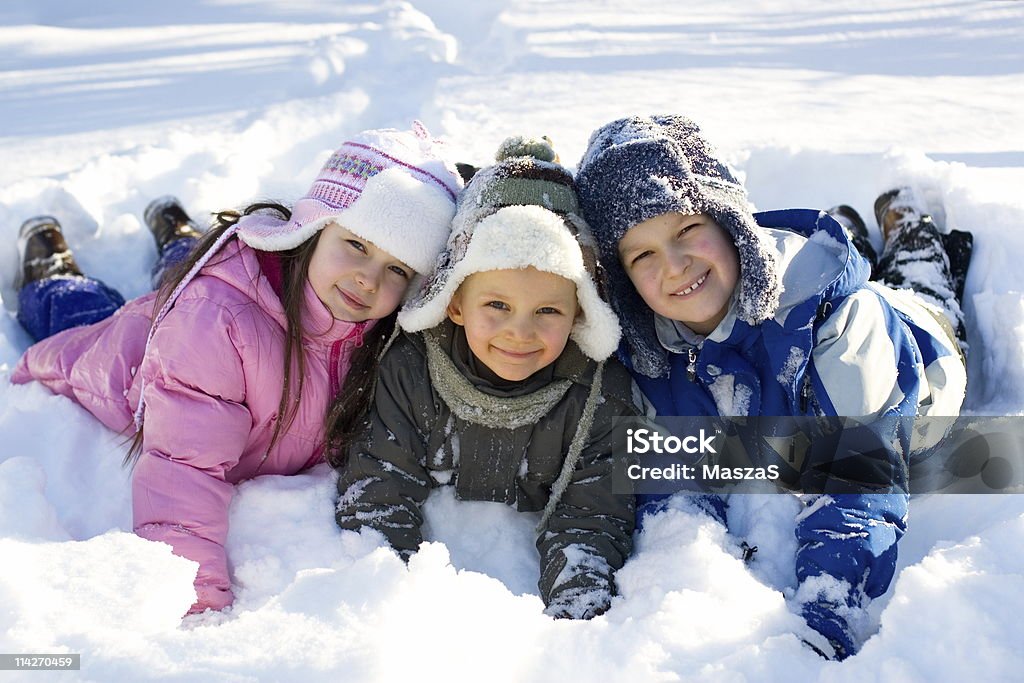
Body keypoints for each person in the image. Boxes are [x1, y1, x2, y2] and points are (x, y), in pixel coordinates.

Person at [11, 124, 463, 615]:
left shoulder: (381, 334)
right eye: (357, 245)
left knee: (183, 266)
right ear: (313, 228)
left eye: (398, 269)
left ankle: (177, 235)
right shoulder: (215, 327)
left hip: (208, 310)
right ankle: (50, 264)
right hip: (128, 355)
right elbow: (182, 472)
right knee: (81, 311)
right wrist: (195, 598)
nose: (368, 278)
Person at [574, 115, 969, 659]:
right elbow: (671, 479)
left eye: (687, 230)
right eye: (642, 255)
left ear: (729, 220)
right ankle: (854, 230)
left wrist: (825, 616)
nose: (674, 264)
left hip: (911, 359)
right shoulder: (649, 347)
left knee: (918, 294)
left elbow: (856, 484)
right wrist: (681, 581)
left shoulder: (841, 323)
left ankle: (914, 241)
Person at [333, 137, 640, 620]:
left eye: (548, 310)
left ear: (579, 313)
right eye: (497, 305)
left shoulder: (598, 396)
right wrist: (388, 605)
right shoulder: (413, 368)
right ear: (454, 303)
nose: (520, 332)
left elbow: (591, 518)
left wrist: (579, 624)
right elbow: (379, 486)